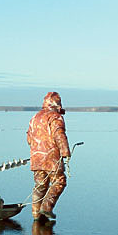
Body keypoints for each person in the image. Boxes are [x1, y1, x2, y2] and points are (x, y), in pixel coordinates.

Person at [26, 92, 71, 220]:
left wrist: (37, 148)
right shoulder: (55, 117)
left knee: (40, 185)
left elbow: (29, 138)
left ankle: (36, 215)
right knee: (59, 181)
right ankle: (46, 208)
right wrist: (65, 151)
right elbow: (59, 134)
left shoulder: (35, 117)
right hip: (51, 157)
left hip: (36, 157)